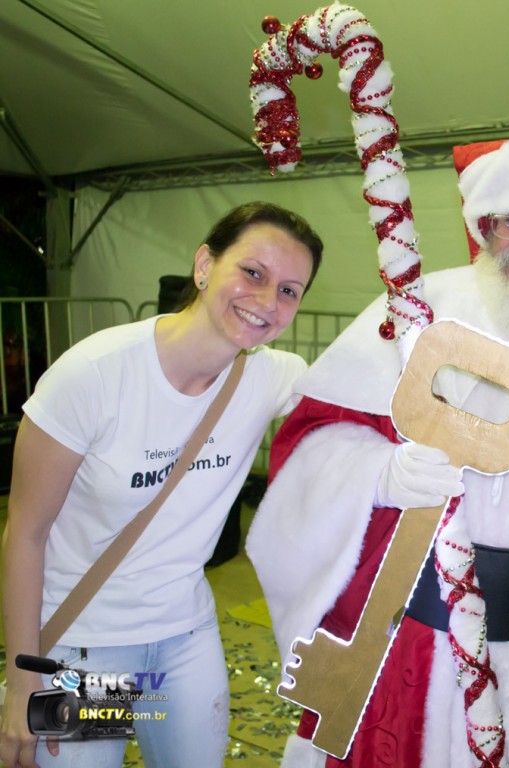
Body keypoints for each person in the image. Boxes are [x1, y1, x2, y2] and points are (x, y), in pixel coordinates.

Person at [247, 139, 509, 767]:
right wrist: (380, 475)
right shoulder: (417, 311)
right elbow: (314, 434)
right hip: (412, 639)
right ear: (484, 227)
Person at [0, 201, 323, 768]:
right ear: (204, 265)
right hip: (85, 651)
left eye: (289, 290)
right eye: (252, 272)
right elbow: (25, 533)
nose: (268, 301)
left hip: (186, 641)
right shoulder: (94, 375)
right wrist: (23, 679)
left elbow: (371, 402)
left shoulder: (273, 377)